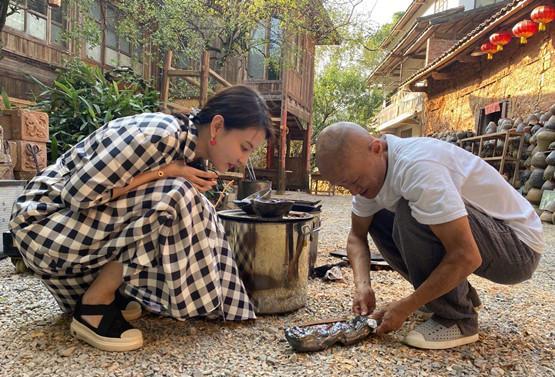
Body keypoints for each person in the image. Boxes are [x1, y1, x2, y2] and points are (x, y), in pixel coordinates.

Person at [10, 85, 273, 352]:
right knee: (175, 194)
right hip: (42, 224)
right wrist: (167, 172)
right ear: (217, 127)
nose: (243, 160)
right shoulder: (161, 134)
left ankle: (112, 293)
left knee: (194, 203)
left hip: (71, 228)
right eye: (244, 147)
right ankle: (94, 306)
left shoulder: (186, 148)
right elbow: (78, 195)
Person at [315, 122, 543, 350]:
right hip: (490, 238)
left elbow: (467, 255)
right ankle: (454, 298)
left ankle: (459, 319)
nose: (354, 192)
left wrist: (406, 306)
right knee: (378, 216)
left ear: (376, 148)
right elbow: (357, 236)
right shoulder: (369, 173)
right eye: (345, 186)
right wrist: (362, 286)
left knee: (410, 213)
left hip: (518, 247)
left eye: (355, 182)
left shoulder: (418, 167)